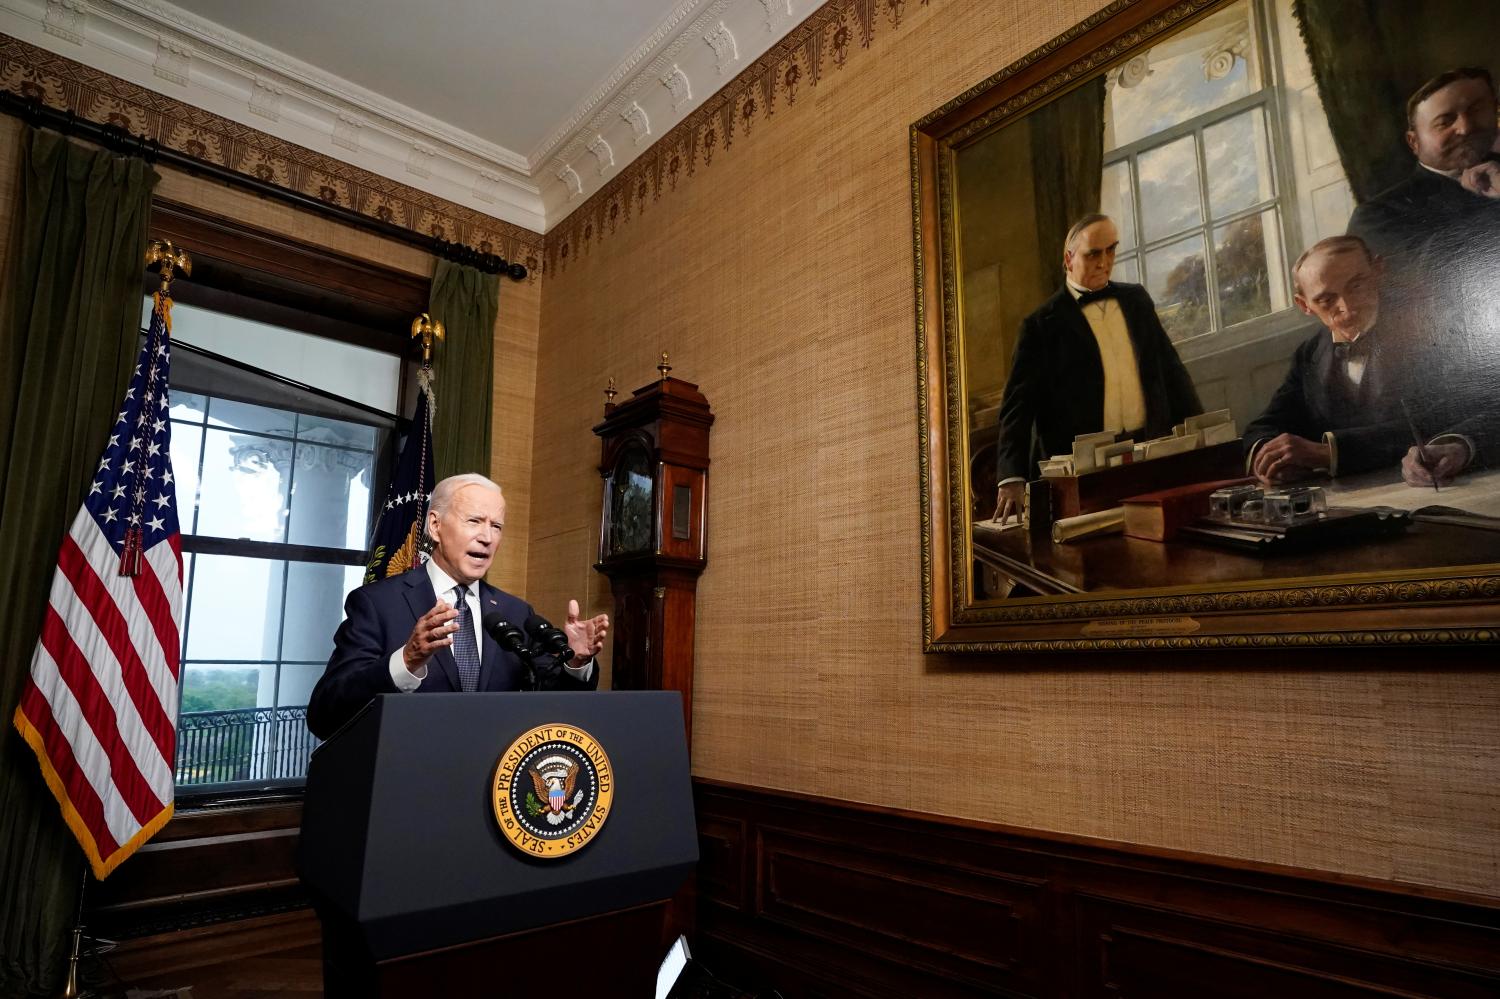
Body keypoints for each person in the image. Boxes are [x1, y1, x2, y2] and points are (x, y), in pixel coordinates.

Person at [306, 473, 607, 739]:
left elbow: (554, 708)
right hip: (407, 788)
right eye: (474, 521)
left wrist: (576, 662)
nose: (487, 537)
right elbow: (326, 714)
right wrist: (406, 662)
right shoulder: (377, 604)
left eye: (497, 526)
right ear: (436, 527)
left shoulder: (515, 613)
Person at [993, 213, 1201, 522]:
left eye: (1111, 250)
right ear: (1069, 258)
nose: (1105, 262)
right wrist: (1011, 477)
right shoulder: (1039, 326)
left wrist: (1201, 436)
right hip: (1081, 474)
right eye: (1093, 254)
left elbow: (1170, 371)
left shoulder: (1136, 301)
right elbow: (1017, 408)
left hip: (1149, 454)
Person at [1243, 235, 1488, 487]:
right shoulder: (1309, 354)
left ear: (1378, 270)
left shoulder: (1433, 327)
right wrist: (1269, 458)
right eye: (1326, 300)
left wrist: (1332, 453)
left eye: (1356, 286)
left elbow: (1446, 415)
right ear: (1304, 305)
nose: (1347, 307)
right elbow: (1264, 426)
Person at [1346, 67, 1500, 328]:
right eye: (1445, 122)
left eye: (1475, 110)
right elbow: (1450, 276)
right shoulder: (1377, 216)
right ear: (1414, 142)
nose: (1465, 127)